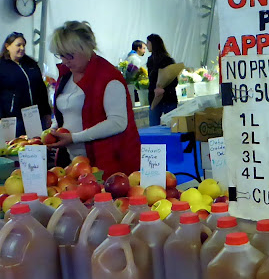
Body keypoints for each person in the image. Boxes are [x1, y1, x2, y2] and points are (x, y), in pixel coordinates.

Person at [48, 21, 141, 177]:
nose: (65, 61)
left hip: (108, 162)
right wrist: (54, 128)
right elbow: (66, 111)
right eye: (61, 55)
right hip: (74, 163)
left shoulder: (108, 77)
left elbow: (118, 122)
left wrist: (74, 138)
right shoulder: (66, 75)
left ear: (87, 47)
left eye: (70, 55)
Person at [0, 32, 51, 136]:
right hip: (13, 119)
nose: (22, 48)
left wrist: (47, 113)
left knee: (36, 145)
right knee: (15, 148)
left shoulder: (31, 64)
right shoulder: (2, 67)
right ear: (7, 46)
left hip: (35, 116)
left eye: (24, 45)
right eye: (18, 45)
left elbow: (41, 89)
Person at [146, 34, 177, 126]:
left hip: (168, 97)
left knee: (172, 125)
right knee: (154, 126)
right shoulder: (150, 60)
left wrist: (163, 90)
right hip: (155, 97)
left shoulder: (167, 60)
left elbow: (174, 80)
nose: (146, 45)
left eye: (148, 42)